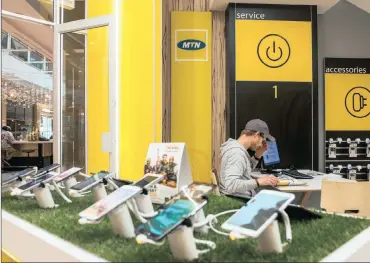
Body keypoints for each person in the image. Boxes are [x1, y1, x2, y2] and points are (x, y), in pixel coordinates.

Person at [219, 119, 279, 198]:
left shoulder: (236, 148)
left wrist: (258, 155)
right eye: (262, 140)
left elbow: (244, 170)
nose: (261, 144)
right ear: (256, 135)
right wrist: (258, 182)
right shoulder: (236, 153)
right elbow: (231, 185)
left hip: (239, 197)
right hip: (238, 202)